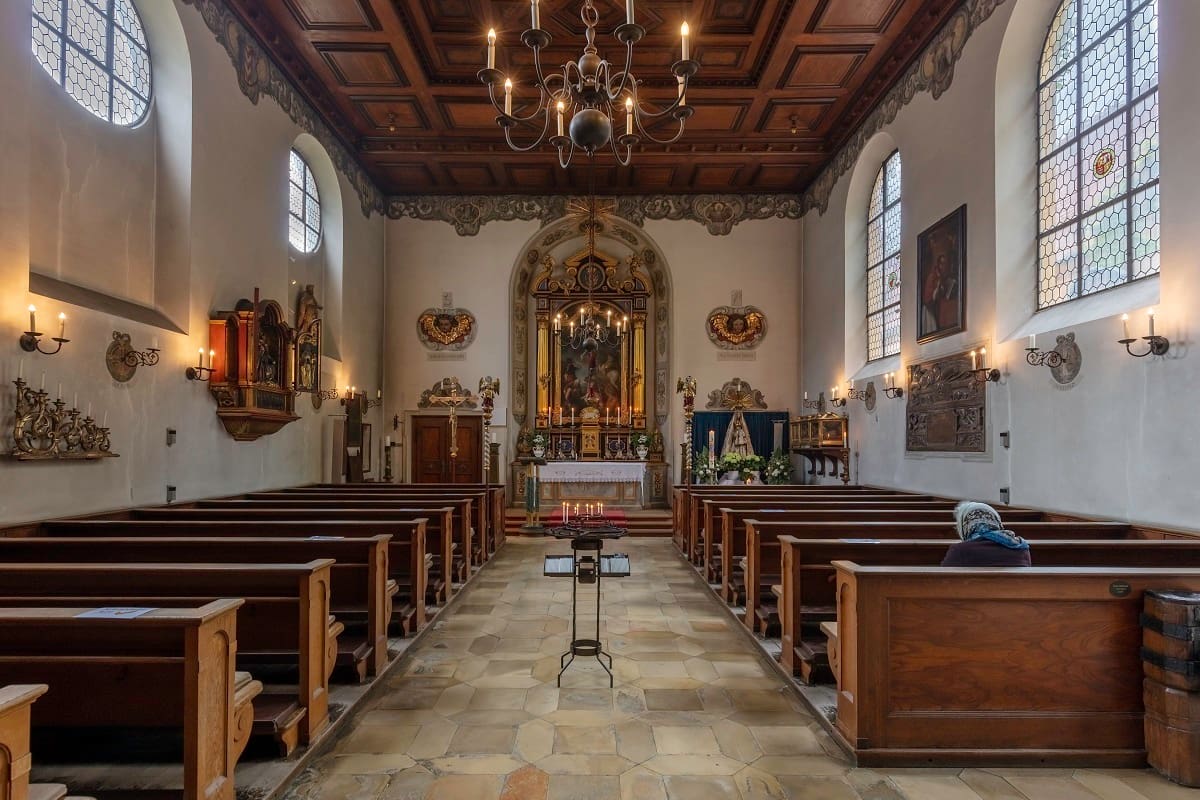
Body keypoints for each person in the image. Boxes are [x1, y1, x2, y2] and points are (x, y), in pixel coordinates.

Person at [941, 501, 1032, 567]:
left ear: (965, 525)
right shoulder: (1021, 547)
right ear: (996, 520)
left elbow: (942, 581)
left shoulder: (959, 551)